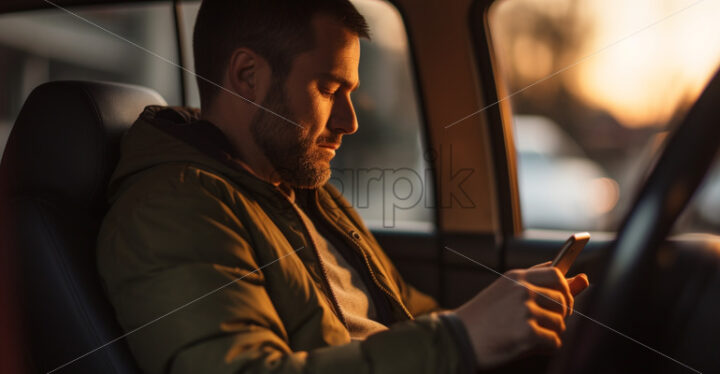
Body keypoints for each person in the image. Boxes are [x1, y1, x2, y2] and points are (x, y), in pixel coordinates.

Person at [97, 1, 589, 373]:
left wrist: (505, 318)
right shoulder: (174, 207)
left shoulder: (303, 192)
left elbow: (402, 311)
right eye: (330, 90)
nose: (350, 122)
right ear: (247, 76)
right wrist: (460, 339)